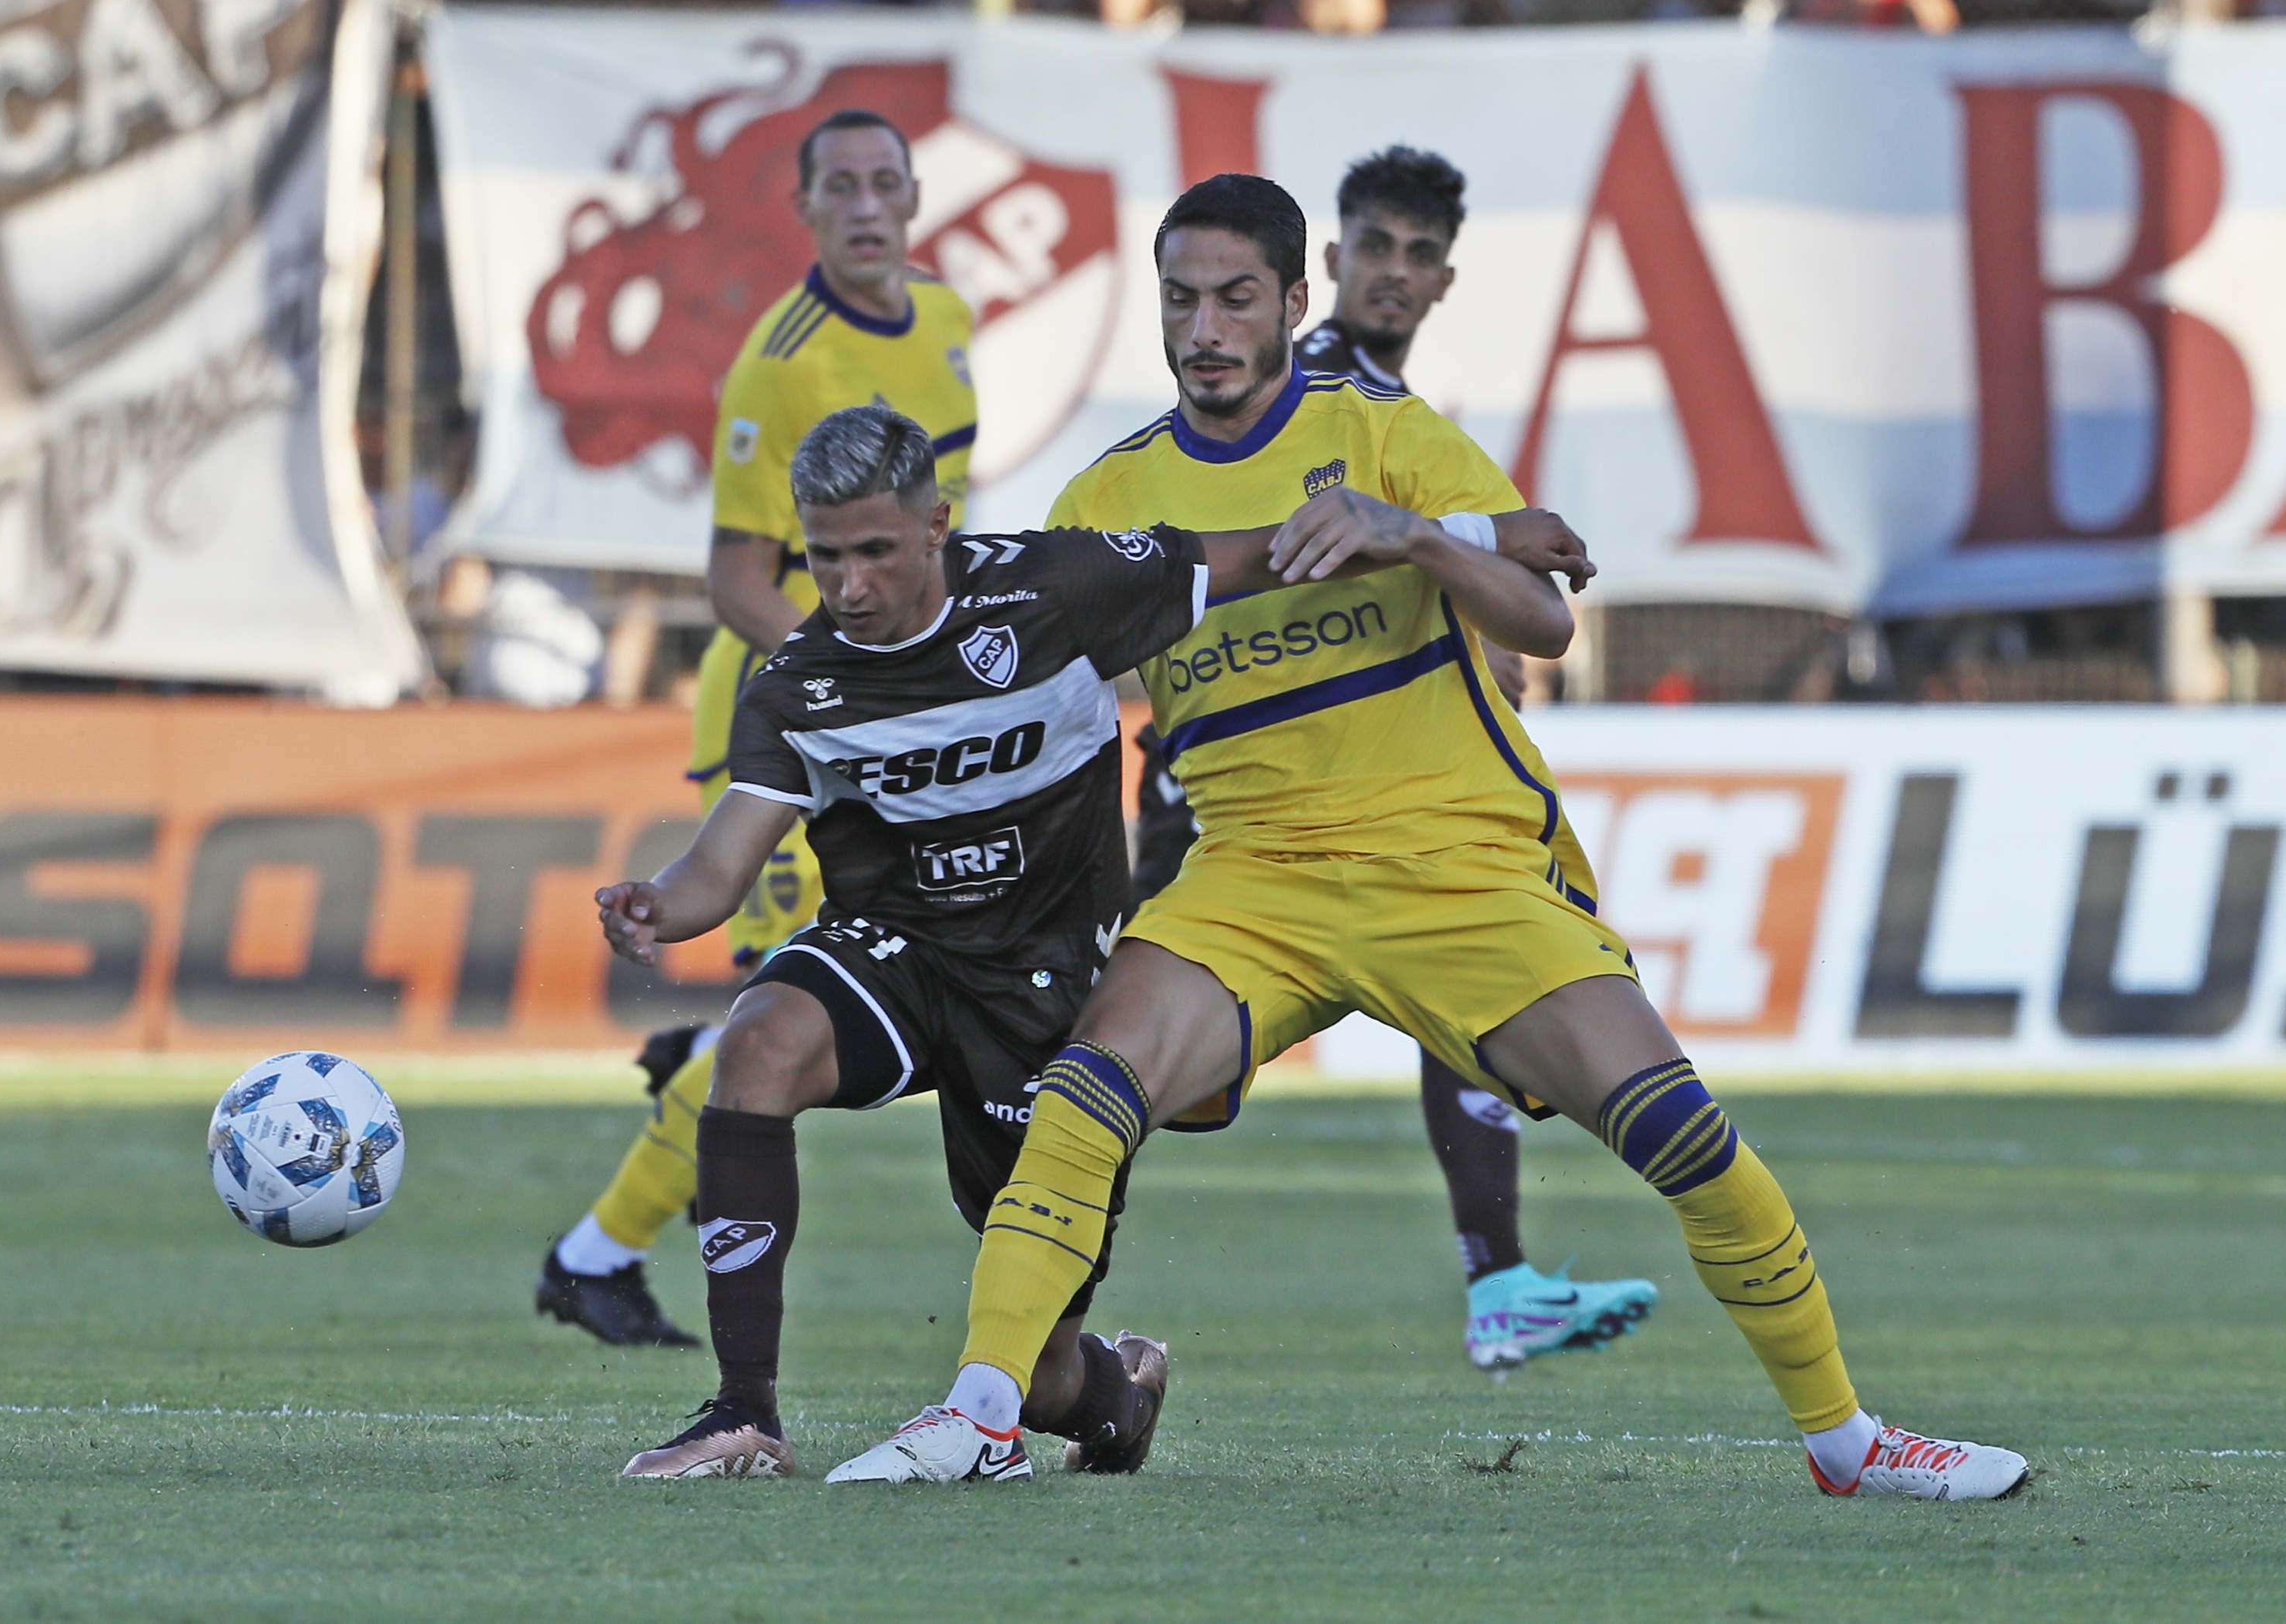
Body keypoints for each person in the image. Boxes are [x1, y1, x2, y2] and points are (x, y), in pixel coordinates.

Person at [827, 176, 2029, 1500]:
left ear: (1295, 301)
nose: (1205, 329)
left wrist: (1414, 537)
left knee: (1683, 1136)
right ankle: (983, 1413)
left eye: (1235, 299)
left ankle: (1848, 1445)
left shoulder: (1385, 432)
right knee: (1084, 1096)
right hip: (1253, 875)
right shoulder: (1107, 496)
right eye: (1180, 301)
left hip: (1451, 863)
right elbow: (1036, 696)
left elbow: (1543, 618)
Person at [595, 404, 1591, 1478]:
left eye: (875, 553)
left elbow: (1273, 550)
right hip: (897, 953)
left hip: (1047, 990)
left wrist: (1481, 536)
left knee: (1042, 1373)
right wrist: (660, 903)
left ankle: (1118, 1399)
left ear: (937, 525)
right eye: (826, 558)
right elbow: (719, 866)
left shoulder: (1060, 587)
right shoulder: (801, 681)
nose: (848, 587)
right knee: (756, 1045)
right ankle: (744, 1415)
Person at [1135, 145, 1658, 1375]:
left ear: (1443, 281)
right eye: (1375, 247)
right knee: (1094, 1070)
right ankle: (1023, 1327)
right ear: (1328, 266)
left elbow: (1415, 564)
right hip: (1236, 798)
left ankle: (1501, 1281)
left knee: (1453, 988)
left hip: (1355, 802)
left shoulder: (1380, 411)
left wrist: (1461, 560)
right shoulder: (1297, 393)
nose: (1395, 274)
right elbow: (1291, 555)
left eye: (1419, 257)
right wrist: (1483, 540)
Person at [533, 106, 980, 1348]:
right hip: (798, 713)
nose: (865, 206)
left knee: (803, 1007)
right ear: (805, 208)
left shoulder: (946, 320)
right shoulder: (781, 363)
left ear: (914, 196)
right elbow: (737, 578)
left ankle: (603, 1237)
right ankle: (595, 1256)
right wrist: (859, 679)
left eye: (884, 182)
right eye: (838, 186)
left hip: (903, 700)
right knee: (783, 1012)